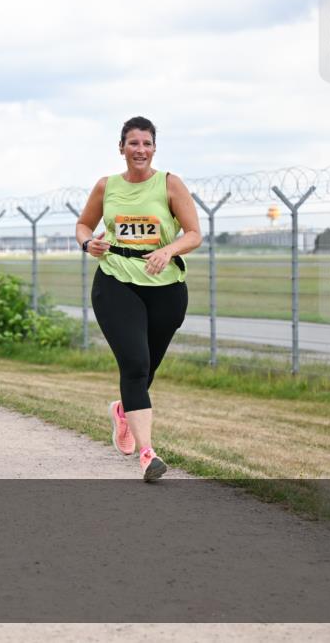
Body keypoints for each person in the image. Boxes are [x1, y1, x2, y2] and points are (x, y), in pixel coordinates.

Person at [76, 116, 202, 482]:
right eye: (133, 143)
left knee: (146, 368)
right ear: (121, 148)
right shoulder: (106, 186)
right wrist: (89, 243)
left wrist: (168, 250)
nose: (140, 150)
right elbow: (84, 225)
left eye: (146, 144)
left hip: (166, 286)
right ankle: (148, 454)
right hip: (116, 279)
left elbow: (194, 234)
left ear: (154, 148)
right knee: (134, 363)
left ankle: (123, 410)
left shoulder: (170, 184)